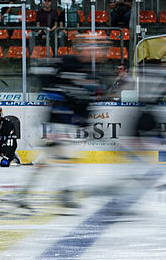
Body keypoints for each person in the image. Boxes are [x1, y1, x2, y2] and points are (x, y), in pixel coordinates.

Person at [20, 33, 107, 209]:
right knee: (62, 160)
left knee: (53, 161)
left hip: (67, 125)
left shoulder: (92, 74)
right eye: (92, 47)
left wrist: (86, 124)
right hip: (56, 124)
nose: (96, 51)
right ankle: (61, 195)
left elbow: (85, 104)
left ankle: (27, 195)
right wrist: (54, 97)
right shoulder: (66, 62)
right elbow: (40, 73)